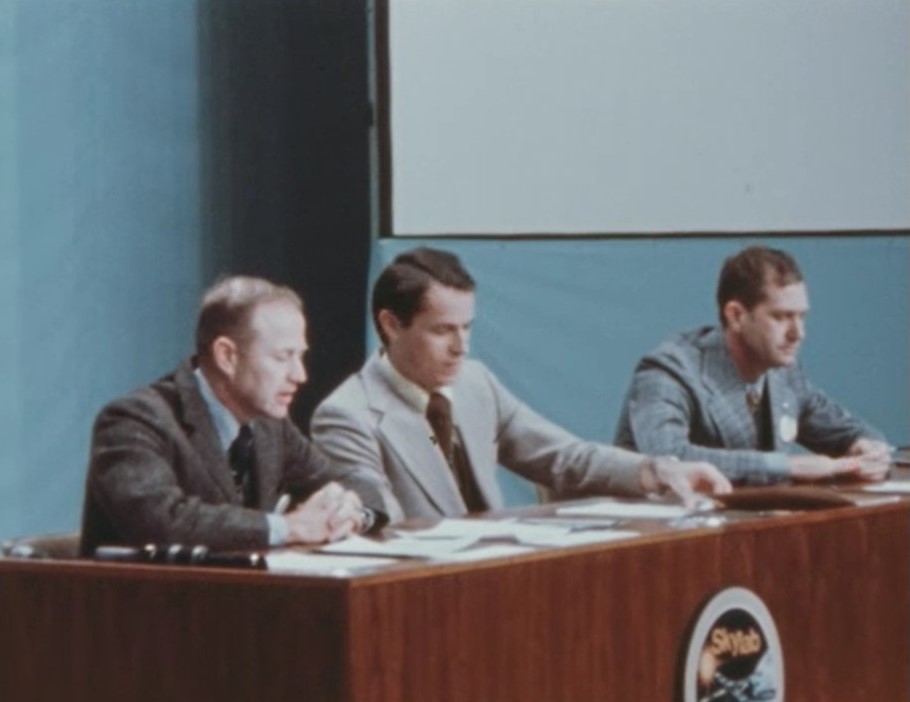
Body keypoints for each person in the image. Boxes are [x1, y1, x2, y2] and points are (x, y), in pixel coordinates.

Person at [311, 247, 730, 523]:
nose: (462, 347)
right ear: (391, 325)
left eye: (467, 328)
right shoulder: (347, 415)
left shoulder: (477, 384)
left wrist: (656, 470)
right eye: (442, 331)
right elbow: (382, 528)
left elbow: (565, 458)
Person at [79, 276, 386, 556]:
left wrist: (352, 512)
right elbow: (160, 520)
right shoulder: (135, 419)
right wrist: (289, 527)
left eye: (300, 356)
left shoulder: (270, 426)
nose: (300, 375)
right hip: (139, 607)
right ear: (227, 355)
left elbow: (349, 480)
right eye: (283, 357)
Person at [614, 245, 890, 485]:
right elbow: (670, 458)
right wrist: (785, 466)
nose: (798, 333)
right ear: (736, 315)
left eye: (802, 317)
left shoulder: (783, 372)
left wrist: (865, 447)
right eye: (781, 317)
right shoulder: (670, 371)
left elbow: (845, 428)